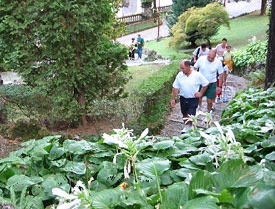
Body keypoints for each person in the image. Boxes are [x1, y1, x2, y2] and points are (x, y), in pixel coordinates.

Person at [170, 60, 209, 133]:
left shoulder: (197, 75)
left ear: (188, 67)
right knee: (184, 113)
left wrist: (200, 93)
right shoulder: (180, 75)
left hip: (193, 99)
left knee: (190, 114)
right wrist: (173, 99)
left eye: (183, 68)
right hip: (183, 98)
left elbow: (206, 83)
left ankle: (190, 127)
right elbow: (175, 87)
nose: (181, 70)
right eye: (181, 68)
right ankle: (188, 126)